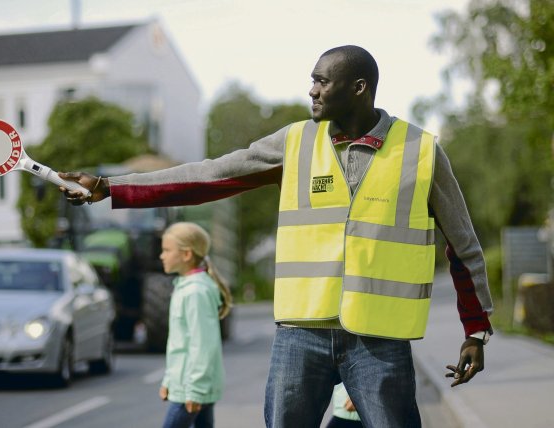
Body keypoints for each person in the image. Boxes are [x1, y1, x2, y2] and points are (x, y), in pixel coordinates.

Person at [59, 45, 493, 428]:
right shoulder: (294, 143)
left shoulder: (419, 151)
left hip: (379, 339)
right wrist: (110, 186)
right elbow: (209, 175)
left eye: (323, 81)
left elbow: (462, 245)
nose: (312, 91)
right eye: (312, 82)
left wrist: (476, 330)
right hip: (300, 334)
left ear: (359, 87)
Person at [157, 222, 233, 428]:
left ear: (187, 255)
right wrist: (168, 381)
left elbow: (203, 345)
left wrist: (196, 390)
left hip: (191, 388)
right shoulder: (184, 286)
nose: (161, 256)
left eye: (166, 250)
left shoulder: (195, 292)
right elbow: (179, 344)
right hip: (187, 385)